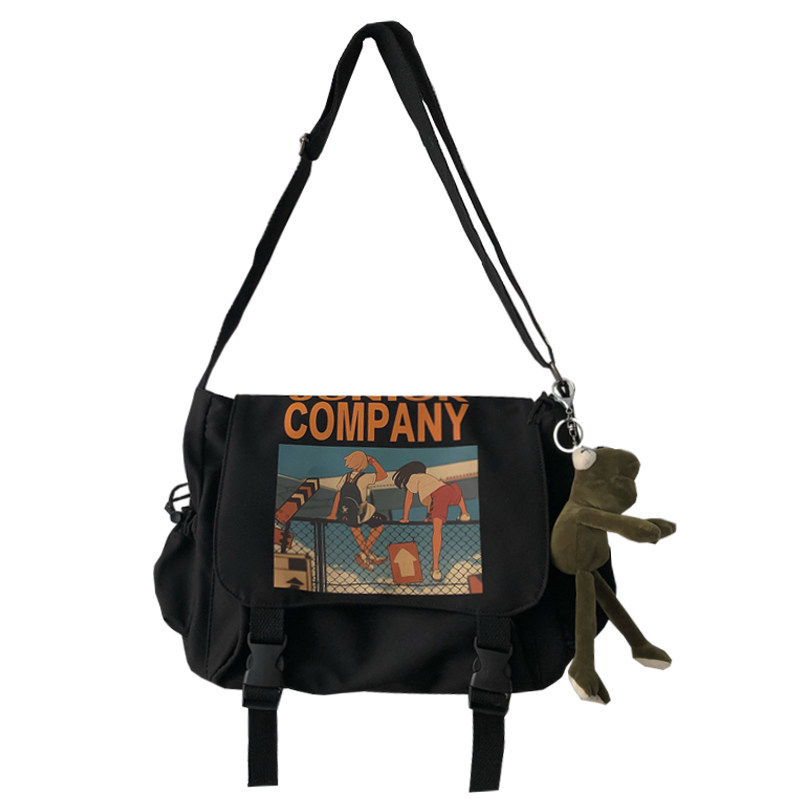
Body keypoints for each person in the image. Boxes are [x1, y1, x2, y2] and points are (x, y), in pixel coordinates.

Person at [393, 461, 470, 581]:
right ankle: (465, 513)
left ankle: (435, 568)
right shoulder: (428, 479)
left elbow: (409, 498)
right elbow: (431, 500)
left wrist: (405, 517)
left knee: (437, 531)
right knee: (455, 491)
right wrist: (429, 516)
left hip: (438, 495)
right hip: (447, 490)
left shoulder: (413, 477)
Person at [328, 451, 388, 571]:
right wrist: (374, 462)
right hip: (361, 512)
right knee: (380, 521)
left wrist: (332, 514)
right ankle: (366, 553)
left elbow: (338, 495)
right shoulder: (364, 477)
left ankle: (366, 554)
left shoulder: (345, 477)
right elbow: (383, 475)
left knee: (356, 529)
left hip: (345, 512)